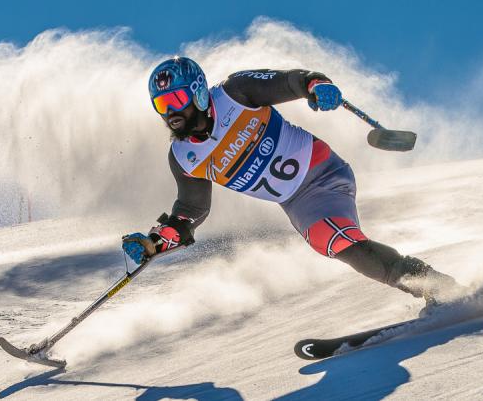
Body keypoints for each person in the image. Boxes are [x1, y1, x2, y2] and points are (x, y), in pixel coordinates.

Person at [122, 57, 462, 307]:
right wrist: (156, 241)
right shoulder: (183, 157)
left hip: (323, 174)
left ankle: (438, 287)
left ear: (197, 93)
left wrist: (316, 86)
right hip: (297, 203)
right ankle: (430, 285)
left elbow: (293, 81)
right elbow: (192, 209)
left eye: (176, 100)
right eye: (162, 104)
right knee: (334, 244)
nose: (171, 112)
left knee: (332, 236)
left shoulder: (236, 93)